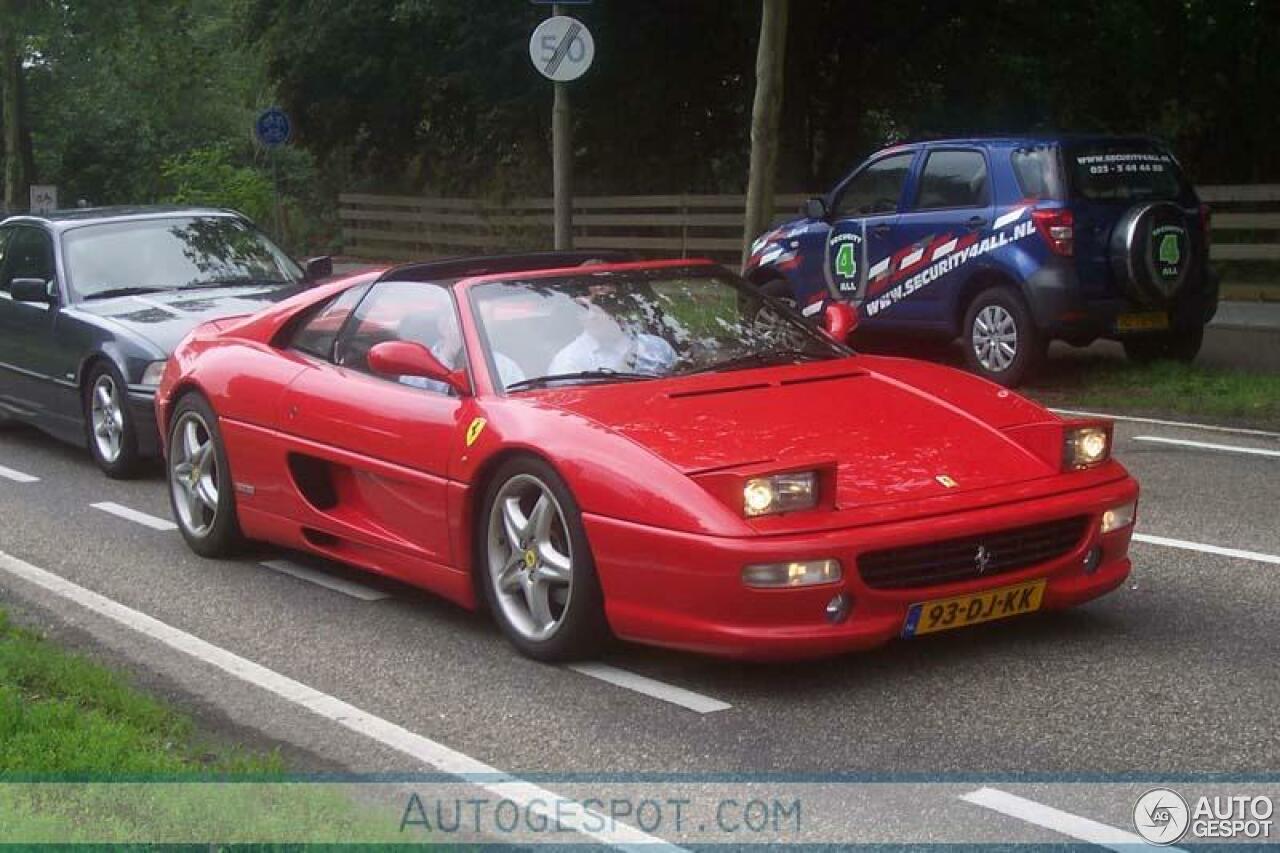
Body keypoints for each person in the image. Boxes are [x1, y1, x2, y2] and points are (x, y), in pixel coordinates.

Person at [547, 285, 676, 376]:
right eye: (587, 308)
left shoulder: (656, 347)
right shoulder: (568, 361)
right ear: (580, 316)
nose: (595, 314)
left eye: (607, 303)